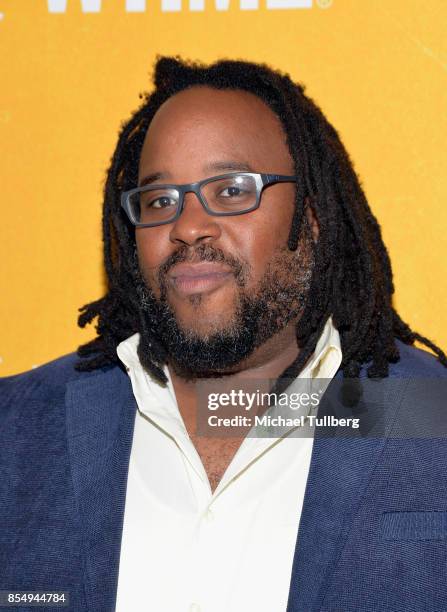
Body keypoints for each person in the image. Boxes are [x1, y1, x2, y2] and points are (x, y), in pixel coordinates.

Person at [1, 56, 447, 612]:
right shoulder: (15, 429)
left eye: (233, 190)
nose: (187, 226)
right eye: (160, 200)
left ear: (311, 219)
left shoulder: (431, 418)